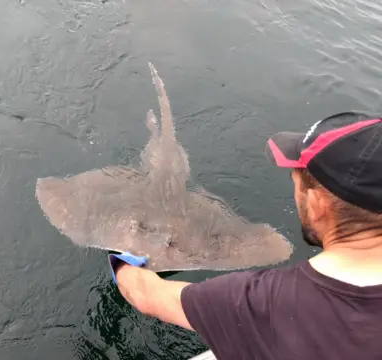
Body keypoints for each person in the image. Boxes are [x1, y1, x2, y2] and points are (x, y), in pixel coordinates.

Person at [108, 111, 382, 360]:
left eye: (296, 181)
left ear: (316, 205)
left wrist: (122, 258)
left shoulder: (262, 301)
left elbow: (145, 296)